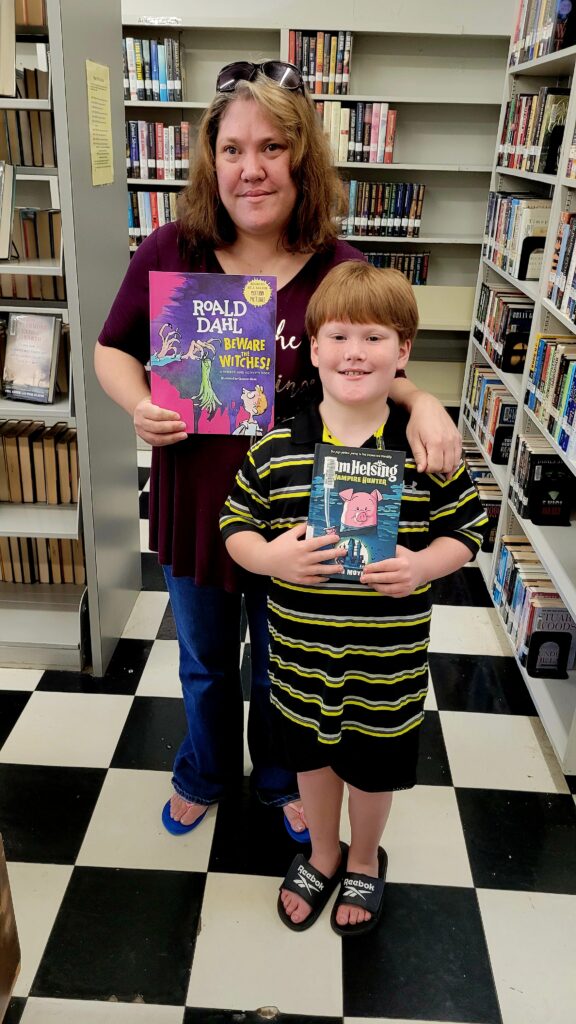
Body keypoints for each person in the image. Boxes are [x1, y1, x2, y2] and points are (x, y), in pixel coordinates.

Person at [95, 60, 463, 840]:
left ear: (303, 160)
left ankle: (280, 774)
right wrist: (140, 404)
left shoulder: (337, 264)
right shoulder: (173, 248)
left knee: (283, 662)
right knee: (203, 662)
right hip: (198, 501)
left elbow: (371, 364)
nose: (251, 168)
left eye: (271, 148)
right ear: (211, 161)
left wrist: (424, 399)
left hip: (301, 510)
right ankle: (204, 769)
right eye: (232, 149)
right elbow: (112, 348)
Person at [220, 261, 488, 934]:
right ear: (313, 349)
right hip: (302, 662)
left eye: (374, 337)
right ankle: (323, 851)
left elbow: (468, 531)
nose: (355, 352)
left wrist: (422, 566)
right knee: (311, 763)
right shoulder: (276, 449)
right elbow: (234, 525)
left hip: (386, 668)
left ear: (403, 352)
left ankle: (364, 857)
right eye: (338, 336)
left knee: (372, 773)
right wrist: (271, 558)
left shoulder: (427, 452)